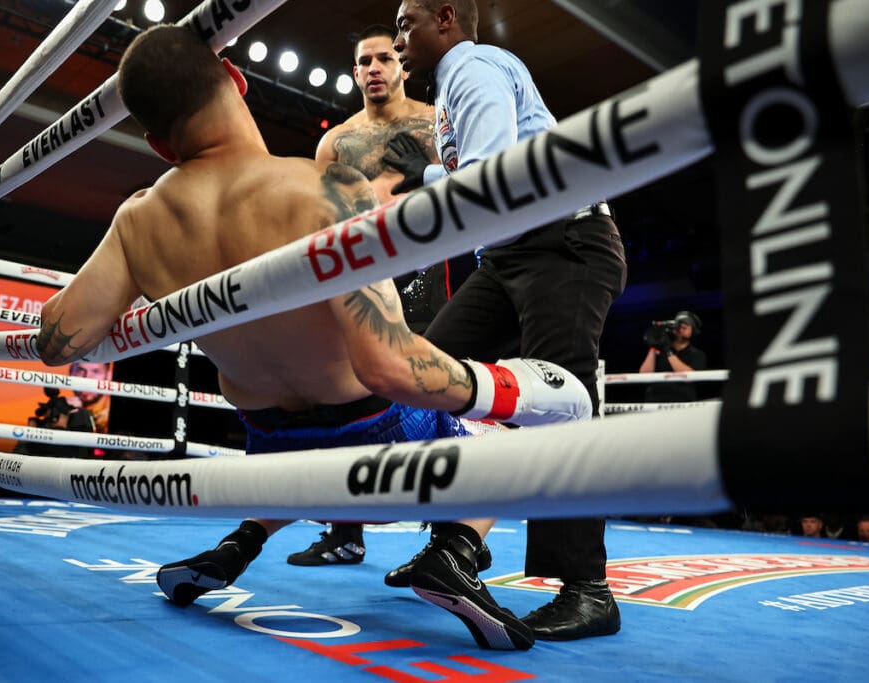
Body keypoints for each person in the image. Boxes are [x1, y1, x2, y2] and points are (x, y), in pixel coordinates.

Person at [36, 24, 593, 651]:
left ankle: (237, 543)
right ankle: (456, 551)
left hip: (270, 449)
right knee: (518, 426)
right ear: (237, 79)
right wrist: (511, 387)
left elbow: (62, 339)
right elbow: (389, 367)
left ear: (160, 145)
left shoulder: (136, 222)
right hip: (375, 430)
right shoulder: (325, 190)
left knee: (307, 444)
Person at [386, 0, 627, 641]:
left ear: (446, 18)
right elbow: (477, 171)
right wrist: (431, 173)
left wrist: (422, 197)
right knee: (423, 370)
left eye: (407, 23)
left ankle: (590, 591)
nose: (399, 36)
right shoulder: (451, 94)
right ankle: (455, 550)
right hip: (509, 254)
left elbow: (488, 180)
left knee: (564, 401)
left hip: (563, 240)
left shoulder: (474, 65)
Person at [286, 23, 475, 568]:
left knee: (436, 387)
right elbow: (317, 216)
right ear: (354, 72)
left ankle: (448, 543)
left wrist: (420, 184)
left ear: (400, 65)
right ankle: (345, 532)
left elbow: (469, 179)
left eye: (383, 58)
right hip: (359, 277)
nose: (373, 68)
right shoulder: (336, 141)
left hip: (426, 268)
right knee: (348, 393)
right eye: (363, 60)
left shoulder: (432, 122)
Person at [638, 311, 707, 403]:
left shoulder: (697, 355)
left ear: (693, 331)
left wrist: (668, 351)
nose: (680, 330)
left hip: (681, 404)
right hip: (655, 403)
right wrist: (653, 347)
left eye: (685, 327)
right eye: (679, 326)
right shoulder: (660, 350)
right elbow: (644, 376)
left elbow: (690, 378)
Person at [67, 361, 112, 433]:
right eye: (80, 370)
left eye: (96, 371)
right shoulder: (65, 410)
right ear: (71, 373)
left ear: (108, 376)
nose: (87, 377)